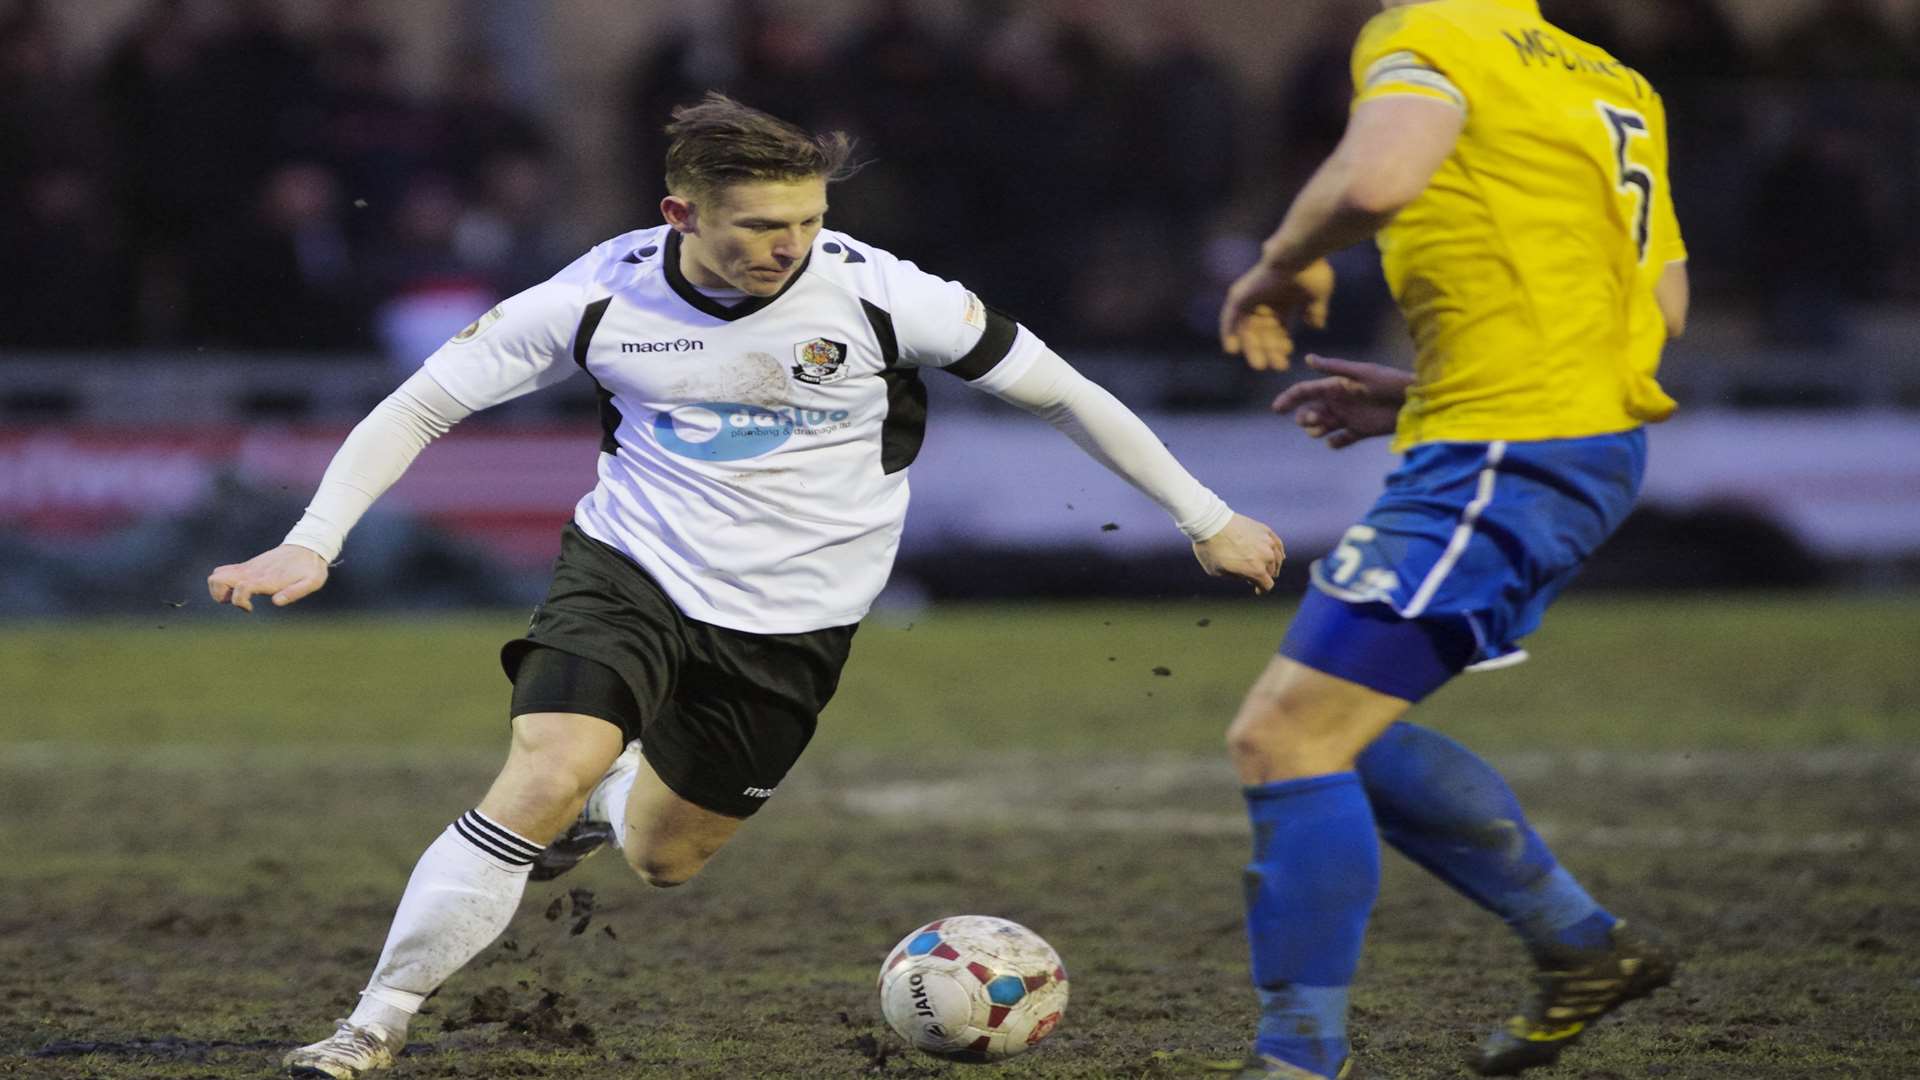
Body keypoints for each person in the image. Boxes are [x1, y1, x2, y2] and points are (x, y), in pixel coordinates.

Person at [207, 92, 1285, 1079]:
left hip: (796, 621)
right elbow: (416, 406)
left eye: (809, 221)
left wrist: (1207, 517)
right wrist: (315, 540)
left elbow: (1065, 393)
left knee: (666, 859)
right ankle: (373, 1024)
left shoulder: (882, 295)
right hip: (632, 573)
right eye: (764, 225)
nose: (793, 246)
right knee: (540, 771)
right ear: (680, 212)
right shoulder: (594, 294)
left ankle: (611, 802)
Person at [1212, 2, 1689, 1077]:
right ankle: (1582, 947)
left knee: (1284, 740)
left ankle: (1295, 1063)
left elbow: (1377, 179)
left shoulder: (1430, 36)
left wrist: (1281, 260)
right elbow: (1664, 301)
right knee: (1345, 731)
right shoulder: (1610, 80)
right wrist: (1440, 392)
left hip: (1504, 453)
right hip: (1558, 439)